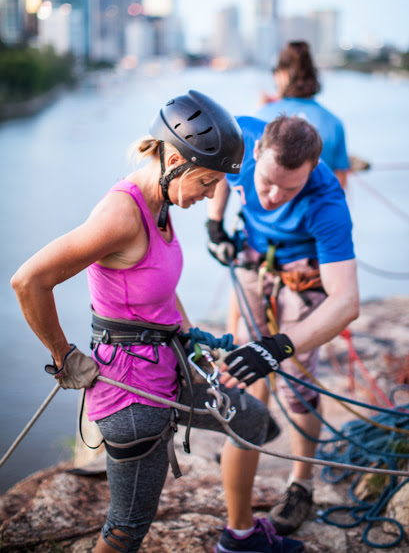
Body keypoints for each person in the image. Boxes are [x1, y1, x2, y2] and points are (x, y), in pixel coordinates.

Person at [10, 91, 305, 553]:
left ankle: (241, 535)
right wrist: (64, 356)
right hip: (132, 395)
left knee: (253, 423)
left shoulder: (161, 202)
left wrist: (190, 337)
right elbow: (29, 281)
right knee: (127, 529)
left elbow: (160, 286)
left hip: (170, 365)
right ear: (173, 158)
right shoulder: (120, 217)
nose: (212, 195)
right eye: (207, 182)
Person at [207, 114, 359, 536]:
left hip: (300, 272)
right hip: (252, 257)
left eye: (289, 188)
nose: (273, 196)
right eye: (267, 182)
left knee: (297, 386)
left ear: (310, 171)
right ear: (255, 153)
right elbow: (218, 169)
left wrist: (279, 346)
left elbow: (346, 302)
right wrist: (215, 220)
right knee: (241, 355)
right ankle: (255, 424)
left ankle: (301, 483)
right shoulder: (239, 136)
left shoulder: (326, 203)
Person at [256, 40, 350, 189]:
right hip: (316, 209)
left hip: (270, 208)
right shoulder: (334, 122)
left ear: (282, 75)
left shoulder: (261, 115)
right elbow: (340, 181)